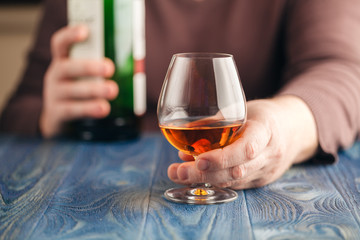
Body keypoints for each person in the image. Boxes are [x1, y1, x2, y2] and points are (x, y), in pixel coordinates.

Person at [1, 0, 360, 190]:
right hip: (92, 188)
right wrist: (47, 116)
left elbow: (343, 71)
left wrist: (283, 127)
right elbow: (19, 111)